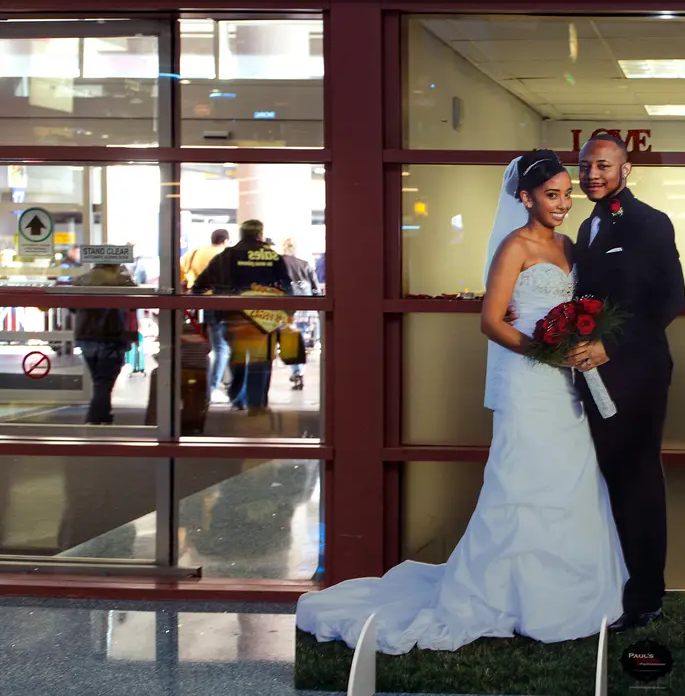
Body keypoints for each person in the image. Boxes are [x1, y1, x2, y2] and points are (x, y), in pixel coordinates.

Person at [296, 150, 625, 654]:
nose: (563, 204)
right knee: (522, 479)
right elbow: (491, 321)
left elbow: (579, 304)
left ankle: (564, 596)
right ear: (525, 197)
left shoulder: (568, 245)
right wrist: (546, 351)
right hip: (528, 379)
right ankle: (507, 595)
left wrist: (581, 336)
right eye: (551, 195)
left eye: (566, 194)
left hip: (564, 387)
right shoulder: (513, 247)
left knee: (571, 476)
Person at [565, 133, 685, 631]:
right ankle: (613, 586)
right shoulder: (586, 224)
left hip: (635, 374)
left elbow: (669, 301)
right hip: (592, 376)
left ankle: (644, 599)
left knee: (637, 480)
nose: (593, 174)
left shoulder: (649, 222)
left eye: (604, 165)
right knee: (608, 479)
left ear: (626, 169)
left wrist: (610, 346)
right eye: (586, 165)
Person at [192, 220, 291, 416]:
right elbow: (286, 286)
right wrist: (286, 313)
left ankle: (237, 397)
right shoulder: (271, 257)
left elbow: (200, 284)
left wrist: (214, 299)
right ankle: (257, 404)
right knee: (261, 360)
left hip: (233, 315)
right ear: (260, 234)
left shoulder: (227, 256)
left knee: (238, 357)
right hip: (265, 318)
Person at [71, 263, 138, 425]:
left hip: (85, 335)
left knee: (100, 379)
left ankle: (104, 415)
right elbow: (134, 303)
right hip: (111, 335)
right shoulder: (121, 279)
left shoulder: (82, 279)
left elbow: (72, 307)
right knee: (104, 380)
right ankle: (94, 417)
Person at [183, 229, 233, 401]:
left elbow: (182, 272)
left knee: (206, 347)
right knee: (223, 348)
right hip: (218, 305)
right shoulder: (225, 256)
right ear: (225, 241)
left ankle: (205, 384)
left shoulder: (195, 253)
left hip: (197, 307)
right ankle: (212, 388)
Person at [281, 238, 320, 391]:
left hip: (286, 309)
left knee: (290, 341)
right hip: (306, 309)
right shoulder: (305, 265)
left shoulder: (278, 265)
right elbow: (315, 288)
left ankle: (297, 371)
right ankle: (299, 371)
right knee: (301, 340)